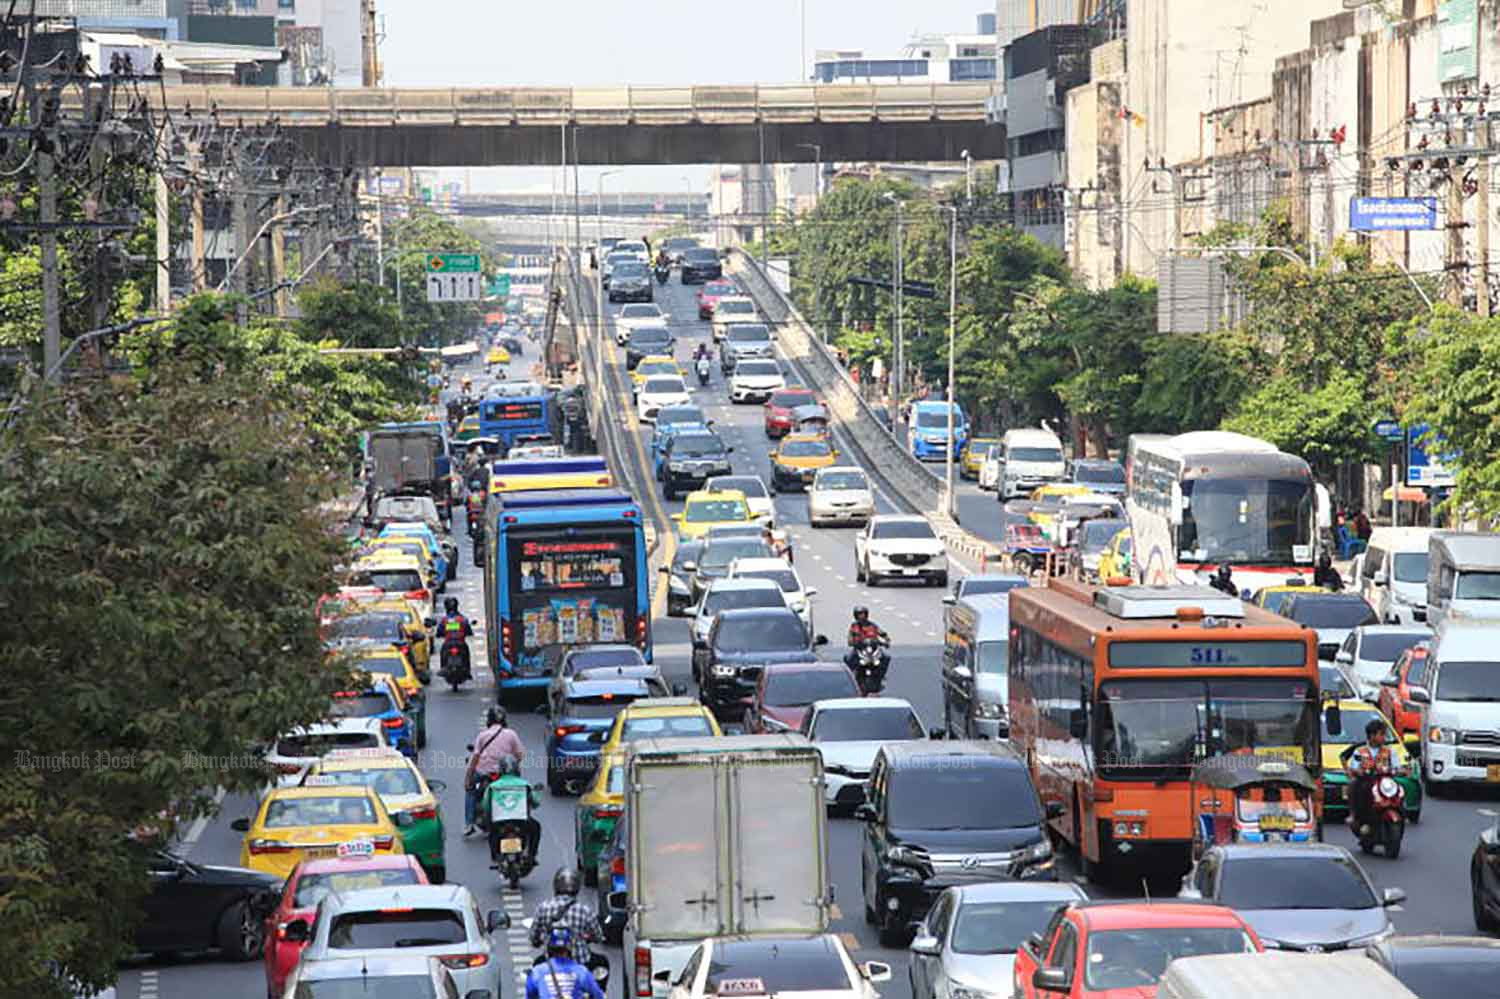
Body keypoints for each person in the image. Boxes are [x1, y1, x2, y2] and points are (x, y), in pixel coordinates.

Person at [465, 706, 526, 835]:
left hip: (483, 773)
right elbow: (520, 755)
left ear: (489, 720)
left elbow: (475, 758)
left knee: (470, 791)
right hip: (504, 774)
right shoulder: (511, 734)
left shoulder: (482, 736)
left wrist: (468, 779)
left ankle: (469, 823)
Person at [530, 868, 606, 968]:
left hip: (549, 962)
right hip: (580, 960)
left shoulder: (543, 908)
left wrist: (538, 940)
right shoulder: (584, 910)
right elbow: (598, 936)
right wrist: (588, 938)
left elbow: (533, 936)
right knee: (603, 963)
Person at [480, 755, 542, 862]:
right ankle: (532, 855)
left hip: (499, 822)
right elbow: (536, 802)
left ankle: (495, 855)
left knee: (492, 831)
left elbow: (485, 806)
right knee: (536, 828)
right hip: (521, 821)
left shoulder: (492, 786)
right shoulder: (525, 784)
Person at [1345, 717, 1398, 833]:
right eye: (1381, 734)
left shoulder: (1390, 751)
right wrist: (1359, 771)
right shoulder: (1360, 751)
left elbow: (1396, 766)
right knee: (1355, 786)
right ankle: (1356, 817)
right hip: (1367, 781)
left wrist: (1402, 770)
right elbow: (1354, 766)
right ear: (1372, 736)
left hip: (1384, 782)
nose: (1384, 738)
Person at [526, 927, 605, 999]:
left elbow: (529, 995)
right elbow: (598, 995)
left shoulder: (538, 971)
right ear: (570, 948)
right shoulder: (581, 971)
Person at [437, 597, 474, 675]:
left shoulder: (445, 620)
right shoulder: (462, 619)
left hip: (448, 643)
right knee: (466, 653)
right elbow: (468, 629)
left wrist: (439, 634)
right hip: (460, 643)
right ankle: (468, 671)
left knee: (443, 652)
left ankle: (443, 668)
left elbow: (439, 631)